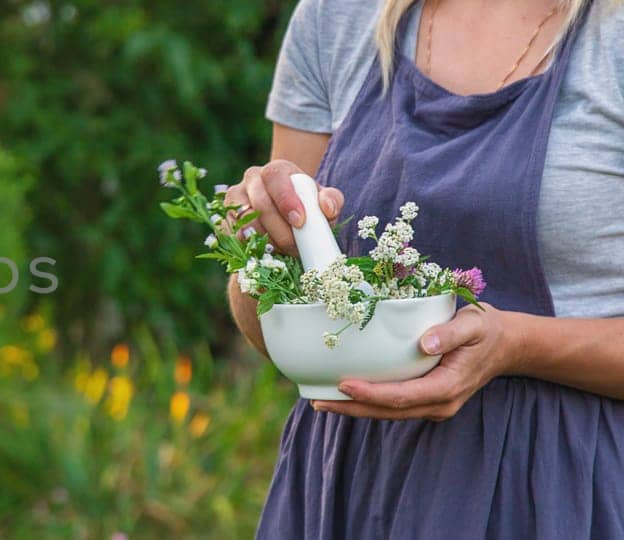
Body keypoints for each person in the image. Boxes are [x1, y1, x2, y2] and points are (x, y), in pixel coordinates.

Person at [223, 0, 624, 537]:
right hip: (347, 488)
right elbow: (269, 318)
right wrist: (257, 256)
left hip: (558, 492)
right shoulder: (337, 16)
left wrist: (517, 343)